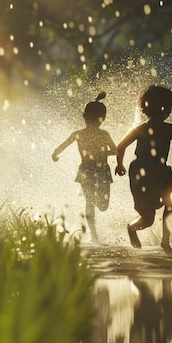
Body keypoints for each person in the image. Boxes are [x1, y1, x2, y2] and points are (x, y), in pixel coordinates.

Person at [115, 85, 172, 253]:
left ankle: (165, 240)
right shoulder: (141, 129)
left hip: (160, 173)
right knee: (148, 218)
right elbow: (120, 146)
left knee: (171, 201)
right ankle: (132, 228)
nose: (169, 111)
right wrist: (119, 163)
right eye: (167, 107)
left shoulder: (171, 129)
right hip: (141, 174)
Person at [52, 92, 117, 243]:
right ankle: (94, 235)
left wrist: (102, 152)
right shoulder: (79, 134)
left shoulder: (103, 134)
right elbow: (65, 144)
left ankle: (94, 232)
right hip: (87, 171)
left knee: (103, 205)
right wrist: (55, 152)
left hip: (101, 171)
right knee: (90, 201)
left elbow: (115, 150)